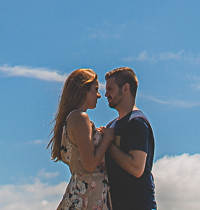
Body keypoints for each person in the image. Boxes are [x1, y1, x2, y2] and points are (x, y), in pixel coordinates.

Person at [51, 68, 115, 210]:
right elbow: (90, 164)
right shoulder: (80, 117)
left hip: (80, 194)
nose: (99, 95)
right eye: (95, 89)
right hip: (88, 196)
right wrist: (107, 138)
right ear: (84, 90)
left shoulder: (71, 119)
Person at [103, 67, 156, 210]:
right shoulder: (111, 126)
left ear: (125, 89)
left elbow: (137, 168)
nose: (106, 94)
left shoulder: (137, 122)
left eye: (110, 89)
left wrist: (107, 143)